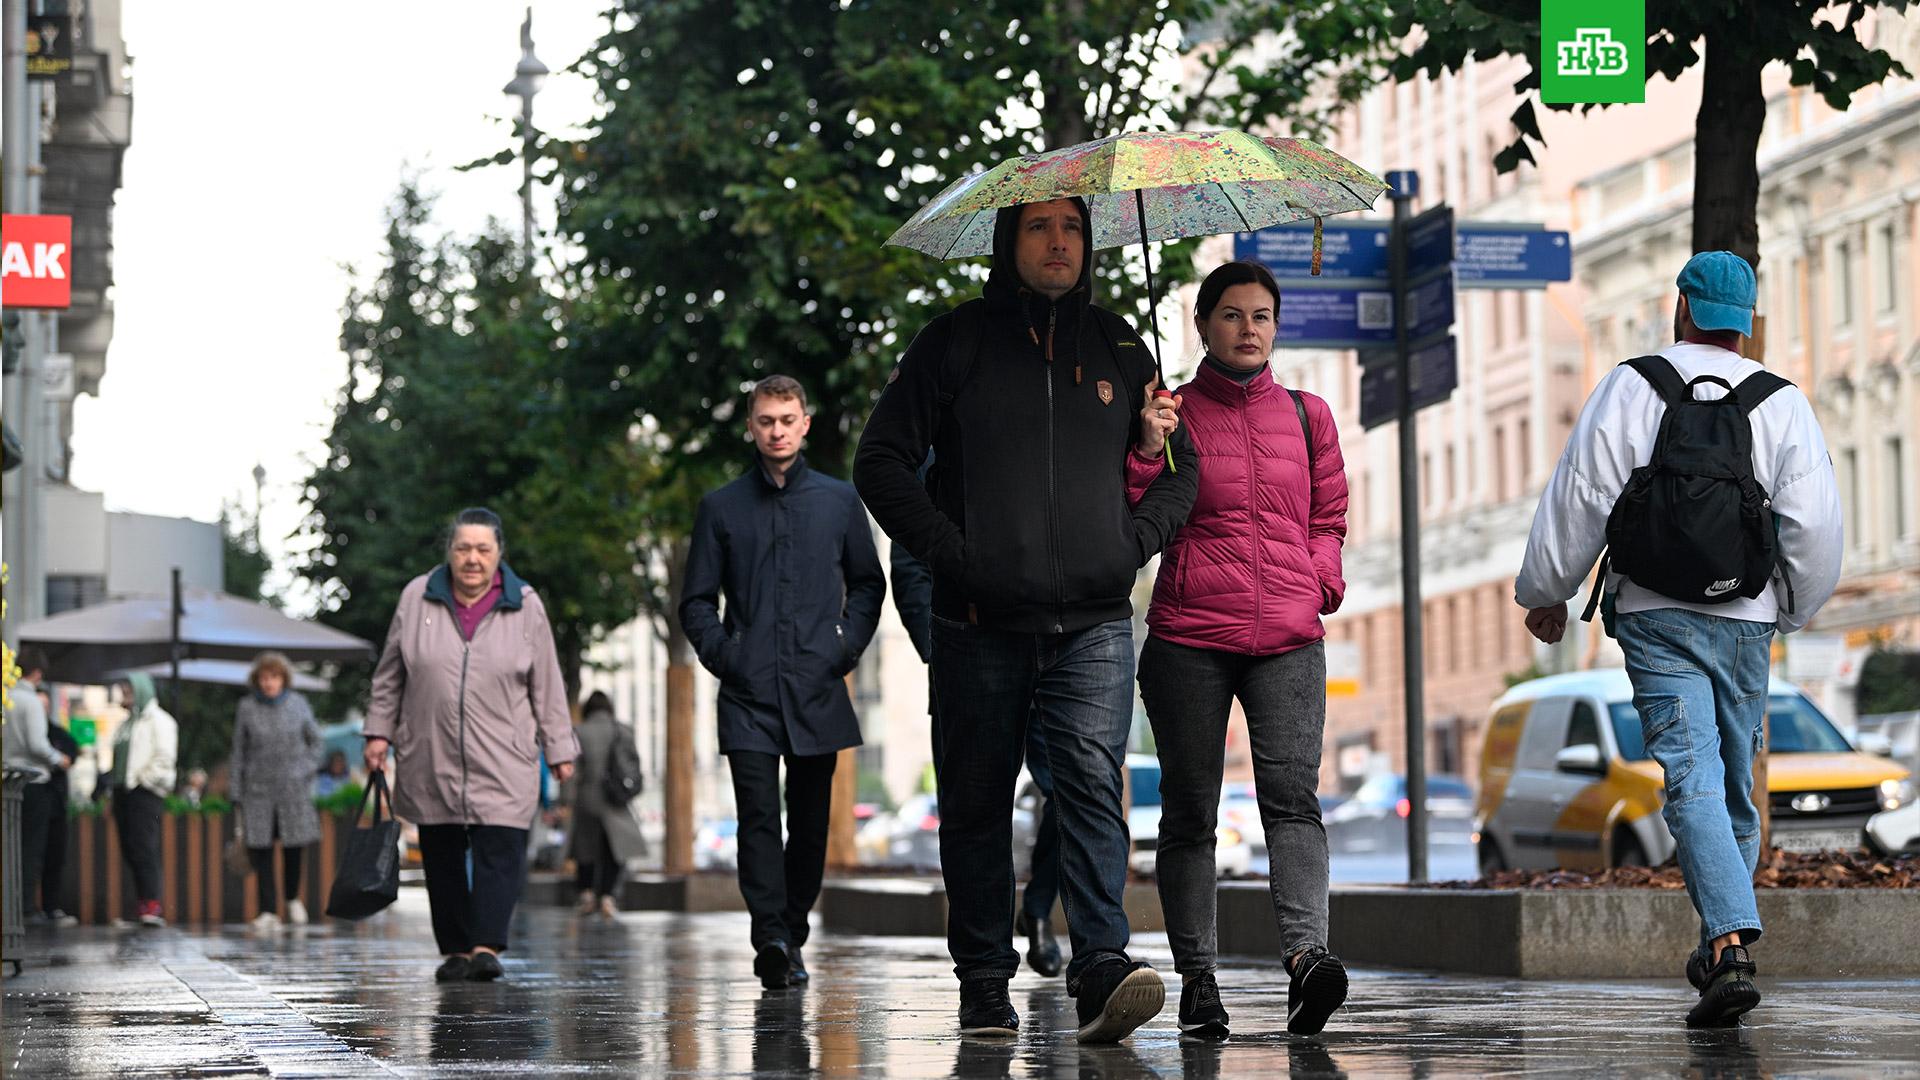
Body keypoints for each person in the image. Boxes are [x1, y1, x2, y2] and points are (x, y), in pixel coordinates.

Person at [854, 196, 1199, 1042]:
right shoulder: (953, 342)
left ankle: (1101, 969)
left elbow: (1180, 474)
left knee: (1089, 791)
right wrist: (952, 554)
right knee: (975, 806)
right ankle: (982, 979)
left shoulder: (1121, 345)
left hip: (1093, 624)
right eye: (1040, 227)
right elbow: (880, 462)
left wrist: (1133, 540)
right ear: (1009, 241)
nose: (1059, 242)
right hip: (977, 622)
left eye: (1074, 228)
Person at [1515, 251, 1843, 1028]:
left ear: (1683, 309)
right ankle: (1722, 941)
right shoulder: (1782, 402)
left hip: (1655, 616)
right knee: (1732, 785)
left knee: (1692, 777)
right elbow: (1817, 528)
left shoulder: (1633, 385)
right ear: (1747, 320)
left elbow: (1582, 494)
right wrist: (1788, 607)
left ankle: (1725, 948)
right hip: (1746, 618)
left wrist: (1545, 592)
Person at [1127, 259, 1351, 1038]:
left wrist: (1319, 582)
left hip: (1289, 636)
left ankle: (1307, 961)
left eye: (1261, 316)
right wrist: (1146, 448)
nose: (1247, 329)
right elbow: (1132, 512)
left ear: (1276, 327)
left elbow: (1329, 517)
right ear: (1204, 324)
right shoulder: (1169, 411)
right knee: (1190, 811)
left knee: (1293, 803)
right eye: (1231, 315)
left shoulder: (1306, 413)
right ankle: (1198, 981)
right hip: (1190, 635)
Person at [679, 374, 886, 990]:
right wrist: (728, 656)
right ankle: (769, 934)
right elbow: (695, 602)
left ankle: (791, 930)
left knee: (811, 824)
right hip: (747, 694)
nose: (776, 430)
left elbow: (868, 584)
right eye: (765, 420)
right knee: (758, 819)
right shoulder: (721, 507)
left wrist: (842, 649)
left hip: (818, 687)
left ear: (805, 423)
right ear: (751, 426)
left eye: (786, 419)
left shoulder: (840, 500)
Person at [365, 506, 578, 983]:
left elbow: (547, 680)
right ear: (450, 552)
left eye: (483, 549)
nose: (473, 559)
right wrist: (379, 731)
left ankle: (486, 944)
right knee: (440, 847)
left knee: (500, 845)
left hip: (504, 749)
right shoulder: (417, 597)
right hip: (432, 748)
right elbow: (390, 674)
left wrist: (558, 747)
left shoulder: (525, 604)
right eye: (463, 548)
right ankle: (457, 949)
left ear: (499, 553)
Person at [892, 536, 1064, 978]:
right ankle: (987, 958)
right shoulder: (934, 464)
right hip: (966, 656)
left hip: (1051, 654)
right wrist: (939, 650)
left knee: (1073, 794)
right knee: (971, 807)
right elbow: (911, 566)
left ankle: (1039, 911)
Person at [231, 651, 325, 931]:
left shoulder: (299, 704)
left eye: (273, 677)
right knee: (260, 849)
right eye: (263, 677)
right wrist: (236, 790)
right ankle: (268, 909)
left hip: (293, 790)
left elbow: (316, 743)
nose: (268, 683)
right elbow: (238, 751)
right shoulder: (246, 707)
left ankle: (293, 897)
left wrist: (304, 770)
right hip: (257, 790)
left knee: (294, 845)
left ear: (283, 679)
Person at [4, 647, 71, 927]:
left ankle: (11, 906)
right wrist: (60, 759)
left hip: (8, 780)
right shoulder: (30, 701)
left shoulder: (5, 697)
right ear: (38, 673)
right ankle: (27, 908)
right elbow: (36, 744)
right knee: (31, 848)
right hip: (33, 782)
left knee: (11, 847)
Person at [105, 672, 177, 927]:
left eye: (129, 690)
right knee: (131, 849)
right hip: (124, 793)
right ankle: (143, 906)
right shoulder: (128, 723)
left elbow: (164, 759)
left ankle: (152, 906)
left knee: (144, 847)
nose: (125, 695)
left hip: (144, 794)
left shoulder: (160, 721)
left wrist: (141, 780)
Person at [568, 690, 648, 916]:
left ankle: (586, 894)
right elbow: (633, 763)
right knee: (615, 850)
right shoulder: (622, 730)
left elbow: (574, 770)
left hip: (587, 798)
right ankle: (608, 896)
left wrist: (565, 801)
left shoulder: (579, 732)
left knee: (585, 848)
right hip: (615, 798)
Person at [41, 689, 82, 925]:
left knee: (55, 856)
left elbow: (73, 751)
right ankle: (32, 908)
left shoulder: (58, 733)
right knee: (33, 854)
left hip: (57, 804)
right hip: (38, 802)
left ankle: (50, 906)